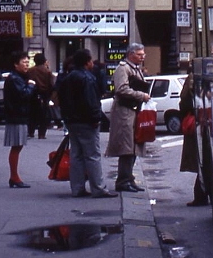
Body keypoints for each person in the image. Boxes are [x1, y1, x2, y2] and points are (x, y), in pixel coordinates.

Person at [57, 49, 118, 198]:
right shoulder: (87, 78)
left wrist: (66, 118)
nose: (92, 63)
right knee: (92, 155)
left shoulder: (68, 77)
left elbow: (62, 99)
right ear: (87, 62)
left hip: (71, 120)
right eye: (91, 60)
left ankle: (77, 188)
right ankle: (98, 188)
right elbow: (91, 102)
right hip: (86, 121)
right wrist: (95, 119)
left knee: (76, 154)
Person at [105, 43, 151, 192]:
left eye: (143, 54)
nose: (142, 57)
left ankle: (128, 179)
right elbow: (121, 89)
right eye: (139, 54)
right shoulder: (123, 68)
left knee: (133, 146)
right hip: (124, 111)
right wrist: (141, 95)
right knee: (127, 147)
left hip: (133, 110)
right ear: (131, 54)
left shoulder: (135, 68)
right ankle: (123, 180)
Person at [3, 51, 37, 188]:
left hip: (18, 115)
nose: (26, 65)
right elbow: (24, 94)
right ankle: (14, 177)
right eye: (24, 62)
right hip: (16, 116)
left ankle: (14, 177)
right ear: (15, 64)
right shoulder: (15, 79)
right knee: (16, 146)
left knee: (18, 146)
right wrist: (31, 85)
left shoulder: (18, 77)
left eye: (28, 62)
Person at [179, 69, 207, 206]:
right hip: (204, 120)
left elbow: (184, 100)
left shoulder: (193, 76)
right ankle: (202, 195)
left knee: (201, 160)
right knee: (203, 160)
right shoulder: (199, 75)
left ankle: (200, 195)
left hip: (198, 120)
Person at [26, 53, 54, 139]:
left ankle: (30, 132)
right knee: (43, 115)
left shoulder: (30, 70)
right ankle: (42, 134)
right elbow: (51, 85)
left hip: (32, 94)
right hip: (44, 94)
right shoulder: (47, 71)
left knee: (32, 114)